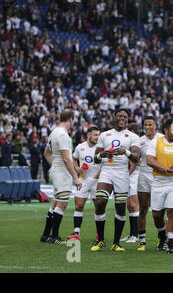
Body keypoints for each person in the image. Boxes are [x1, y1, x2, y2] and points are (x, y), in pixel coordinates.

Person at [90, 108, 140, 252]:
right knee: (99, 201)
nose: (122, 118)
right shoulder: (105, 135)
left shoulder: (131, 136)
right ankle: (100, 240)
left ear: (128, 119)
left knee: (120, 207)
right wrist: (102, 155)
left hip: (122, 173)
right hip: (107, 171)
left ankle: (116, 243)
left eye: (125, 116)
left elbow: (136, 157)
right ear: (114, 117)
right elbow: (95, 158)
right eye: (119, 116)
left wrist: (126, 151)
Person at [40, 109, 82, 244]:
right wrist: (75, 177)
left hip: (57, 170)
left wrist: (54, 166)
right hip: (62, 172)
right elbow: (66, 158)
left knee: (56, 202)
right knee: (62, 203)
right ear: (71, 118)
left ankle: (46, 235)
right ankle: (54, 236)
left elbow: (46, 153)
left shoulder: (54, 132)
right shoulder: (63, 134)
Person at [146, 118, 173, 254]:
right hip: (159, 181)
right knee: (157, 215)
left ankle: (171, 244)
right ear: (166, 129)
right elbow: (149, 160)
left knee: (172, 213)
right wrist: (165, 169)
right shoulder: (156, 142)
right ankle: (162, 235)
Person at [67, 126, 101, 240]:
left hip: (97, 181)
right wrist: (77, 168)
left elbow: (106, 164)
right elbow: (73, 158)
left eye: (98, 135)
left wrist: (97, 176)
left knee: (98, 207)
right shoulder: (80, 147)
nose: (97, 137)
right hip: (83, 180)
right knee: (79, 205)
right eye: (95, 135)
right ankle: (76, 232)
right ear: (88, 135)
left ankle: (99, 233)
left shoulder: (101, 148)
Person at [135, 116, 163, 251]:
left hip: (159, 176)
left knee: (159, 211)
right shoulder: (140, 141)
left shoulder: (162, 139)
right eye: (145, 125)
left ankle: (161, 238)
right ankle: (142, 242)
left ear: (155, 126)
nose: (147, 127)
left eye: (150, 125)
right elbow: (135, 158)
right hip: (144, 176)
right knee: (143, 209)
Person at [119, 122, 142, 243]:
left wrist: (127, 174)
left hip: (135, 176)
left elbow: (136, 162)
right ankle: (132, 234)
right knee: (129, 205)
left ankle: (135, 234)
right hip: (130, 175)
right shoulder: (131, 143)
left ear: (132, 132)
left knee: (133, 204)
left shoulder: (137, 142)